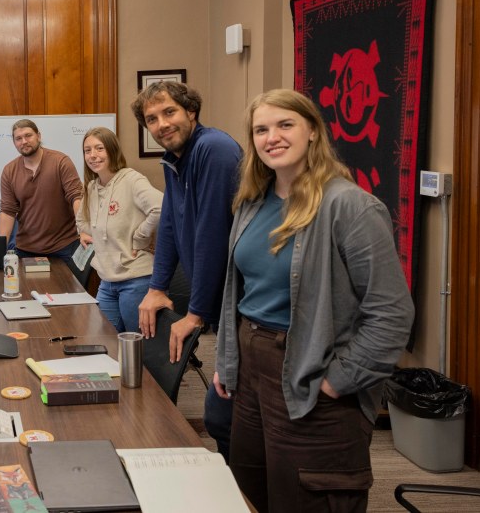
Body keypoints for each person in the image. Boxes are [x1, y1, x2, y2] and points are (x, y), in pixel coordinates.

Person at [213, 89, 414, 511]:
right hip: (252, 369)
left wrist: (337, 381)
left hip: (312, 369)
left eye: (285, 124)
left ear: (312, 131)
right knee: (251, 491)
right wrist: (228, 358)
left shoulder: (350, 207)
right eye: (261, 129)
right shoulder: (251, 202)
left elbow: (391, 314)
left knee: (308, 498)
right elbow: (241, 294)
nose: (273, 137)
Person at [131, 81, 241, 458]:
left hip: (244, 301)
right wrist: (157, 286)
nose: (161, 124)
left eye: (169, 112)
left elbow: (212, 234)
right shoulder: (175, 159)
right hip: (225, 304)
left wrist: (195, 314)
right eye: (151, 119)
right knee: (223, 414)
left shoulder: (213, 149)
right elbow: (171, 227)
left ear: (191, 111)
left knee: (226, 416)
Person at [75, 127, 162, 333]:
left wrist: (140, 237)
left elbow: (161, 207)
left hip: (136, 279)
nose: (93, 155)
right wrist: (86, 233)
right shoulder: (92, 187)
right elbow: (83, 221)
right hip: (107, 280)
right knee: (104, 338)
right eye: (88, 150)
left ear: (112, 150)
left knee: (137, 344)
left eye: (99, 148)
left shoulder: (131, 179)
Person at [0, 119, 83, 266]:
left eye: (28, 135)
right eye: (18, 138)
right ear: (14, 142)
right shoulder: (9, 171)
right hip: (26, 249)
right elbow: (7, 211)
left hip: (64, 246)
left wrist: (84, 231)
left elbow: (76, 197)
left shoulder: (61, 162)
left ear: (39, 136)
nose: (24, 141)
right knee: (28, 289)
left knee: (68, 289)